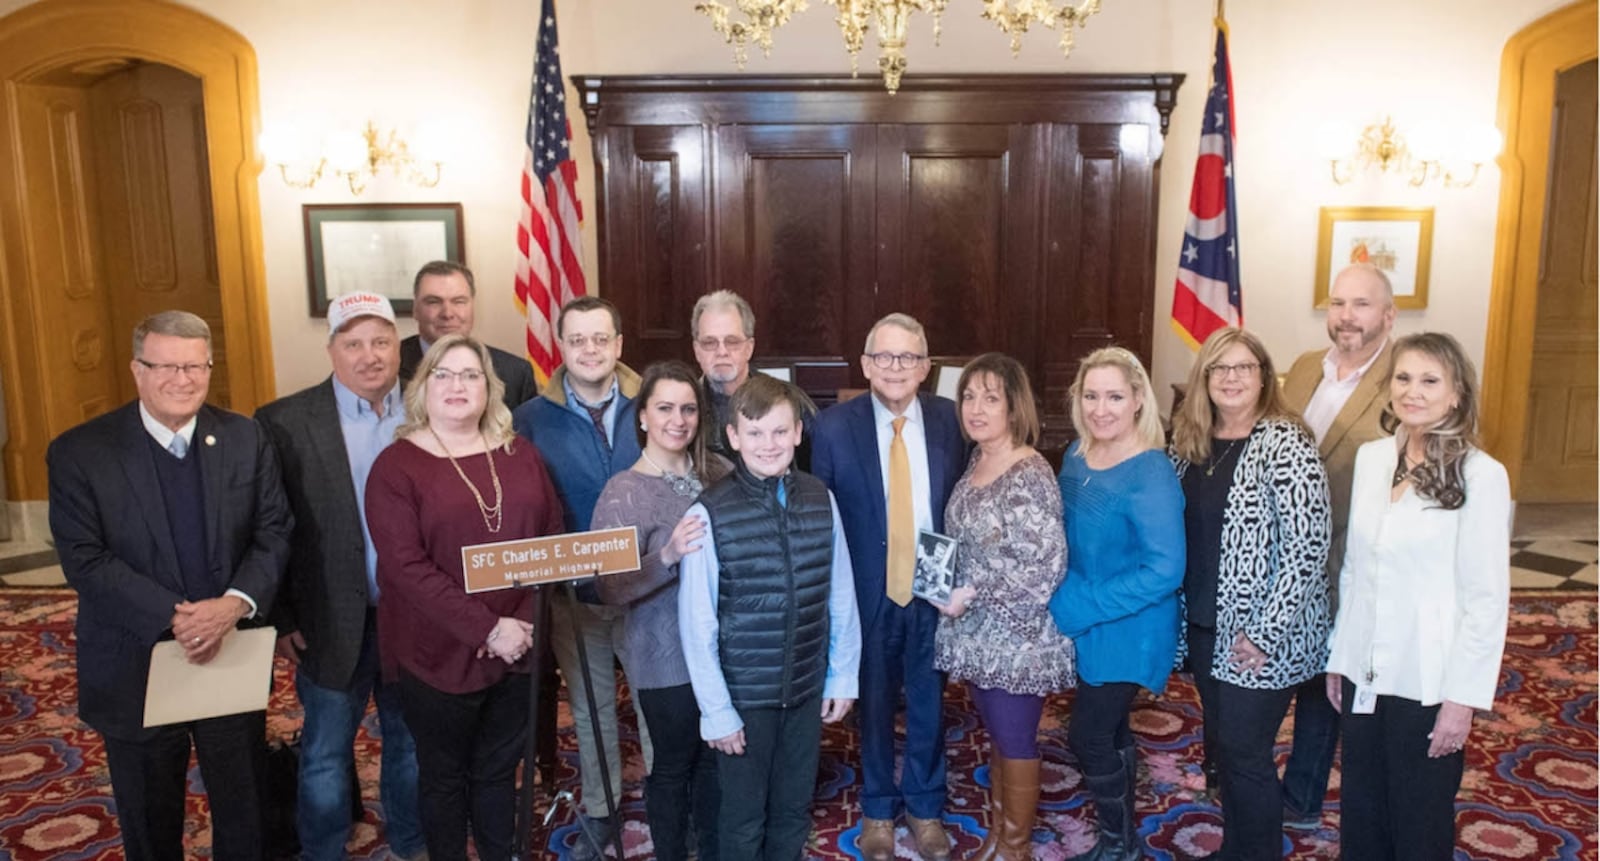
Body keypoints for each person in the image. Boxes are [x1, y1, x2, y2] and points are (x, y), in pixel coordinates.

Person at [47, 310, 292, 861]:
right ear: (137, 370)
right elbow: (84, 559)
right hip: (134, 660)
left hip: (229, 650)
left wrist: (233, 605)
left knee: (244, 808)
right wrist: (179, 617)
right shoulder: (81, 451)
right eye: (167, 366)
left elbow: (274, 531)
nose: (183, 380)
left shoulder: (244, 436)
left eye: (196, 366)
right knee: (151, 817)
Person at [365, 334, 565, 861]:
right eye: (444, 374)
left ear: (489, 388)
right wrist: (486, 629)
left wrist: (517, 626)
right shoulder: (396, 466)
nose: (458, 385)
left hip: (519, 646)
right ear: (423, 387)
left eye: (470, 375)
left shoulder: (520, 455)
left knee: (499, 772)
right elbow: (404, 568)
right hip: (436, 654)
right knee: (445, 778)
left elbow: (550, 540)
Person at [1326, 332, 1510, 860]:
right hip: (1366, 669)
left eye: (1430, 380)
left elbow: (1486, 600)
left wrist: (1462, 700)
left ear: (1456, 394)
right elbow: (1356, 570)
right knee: (1361, 810)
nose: (1413, 392)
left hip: (1429, 678)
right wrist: (1342, 656)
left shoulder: (1481, 475)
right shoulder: (1372, 459)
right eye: (1403, 378)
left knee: (1419, 818)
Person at [256, 293, 424, 860]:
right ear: (331, 350)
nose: (369, 356)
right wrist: (278, 617)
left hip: (414, 618)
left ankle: (410, 842)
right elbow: (269, 527)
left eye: (380, 341)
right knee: (326, 750)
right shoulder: (284, 422)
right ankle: (322, 850)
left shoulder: (430, 408)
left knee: (410, 745)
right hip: (328, 619)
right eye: (353, 344)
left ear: (397, 348)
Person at [678, 374, 862, 860]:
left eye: (780, 432)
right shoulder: (708, 513)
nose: (769, 444)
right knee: (742, 820)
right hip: (743, 699)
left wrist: (842, 675)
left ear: (798, 433)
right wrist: (717, 712)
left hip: (803, 689)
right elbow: (698, 625)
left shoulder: (821, 498)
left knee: (791, 810)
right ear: (734, 437)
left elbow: (840, 592)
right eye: (755, 433)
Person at [1168, 327, 1331, 861]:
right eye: (1220, 368)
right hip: (1205, 624)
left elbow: (1307, 549)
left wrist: (1263, 633)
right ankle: (1237, 847)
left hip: (1262, 634)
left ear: (1265, 377)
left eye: (1244, 367)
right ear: (1204, 379)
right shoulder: (1188, 443)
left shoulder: (1286, 442)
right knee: (1227, 749)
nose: (1232, 378)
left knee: (1245, 752)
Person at [812, 313, 967, 861]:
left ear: (926, 367)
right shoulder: (832, 427)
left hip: (932, 587)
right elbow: (821, 518)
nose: (895, 368)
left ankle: (926, 808)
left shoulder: (953, 420)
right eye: (884, 357)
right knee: (872, 704)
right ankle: (877, 807)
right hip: (867, 593)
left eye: (908, 358)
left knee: (929, 702)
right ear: (865, 364)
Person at [511, 295, 650, 855]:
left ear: (618, 345)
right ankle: (602, 808)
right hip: (575, 596)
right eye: (577, 340)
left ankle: (669, 799)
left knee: (657, 706)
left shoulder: (655, 404)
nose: (589, 350)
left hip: (650, 592)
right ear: (561, 348)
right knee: (591, 712)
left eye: (601, 339)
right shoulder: (528, 420)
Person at [932, 353, 1074, 861]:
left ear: (1014, 407)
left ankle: (1014, 848)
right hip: (974, 632)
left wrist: (971, 590)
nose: (976, 408)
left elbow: (1044, 563)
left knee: (1015, 740)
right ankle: (998, 835)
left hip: (1017, 638)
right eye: (969, 396)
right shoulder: (977, 460)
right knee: (996, 734)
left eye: (990, 398)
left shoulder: (1029, 469)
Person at [591, 359, 732, 861]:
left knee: (718, 760)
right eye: (665, 408)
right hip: (663, 655)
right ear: (644, 417)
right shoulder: (623, 490)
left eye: (689, 409)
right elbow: (608, 587)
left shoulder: (721, 472)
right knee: (674, 766)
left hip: (724, 651)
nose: (679, 419)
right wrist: (667, 555)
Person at [1049, 347, 1184, 861]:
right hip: (1084, 610)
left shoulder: (1151, 471)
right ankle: (1123, 841)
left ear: (1137, 402)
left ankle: (1115, 844)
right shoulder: (1076, 455)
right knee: (1111, 727)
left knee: (1088, 735)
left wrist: (1081, 606)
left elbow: (1164, 570)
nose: (1100, 408)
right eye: (1090, 395)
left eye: (1114, 396)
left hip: (1129, 624)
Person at [1277, 262, 1396, 830]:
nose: (1347, 316)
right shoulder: (1303, 369)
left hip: (1352, 557)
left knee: (1326, 683)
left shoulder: (1405, 380)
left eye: (1362, 304)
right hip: (1283, 553)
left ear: (1388, 315)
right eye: (1338, 303)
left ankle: (1301, 798)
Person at [689, 289, 813, 467]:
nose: (721, 352)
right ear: (697, 350)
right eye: (710, 343)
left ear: (749, 348)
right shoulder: (683, 409)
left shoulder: (790, 399)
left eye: (732, 341)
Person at [399, 260, 537, 411]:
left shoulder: (515, 373)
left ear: (472, 306)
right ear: (415, 309)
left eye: (459, 301)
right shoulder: (389, 368)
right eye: (433, 302)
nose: (447, 313)